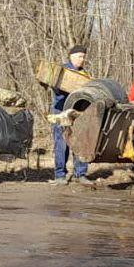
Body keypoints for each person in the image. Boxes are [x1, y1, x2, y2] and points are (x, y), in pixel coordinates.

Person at [50, 44, 93, 186]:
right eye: (80, 56)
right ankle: (60, 175)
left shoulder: (85, 75)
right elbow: (55, 88)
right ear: (72, 56)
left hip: (78, 113)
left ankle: (80, 174)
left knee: (80, 143)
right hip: (61, 111)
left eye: (84, 57)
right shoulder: (62, 72)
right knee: (61, 144)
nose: (83, 59)